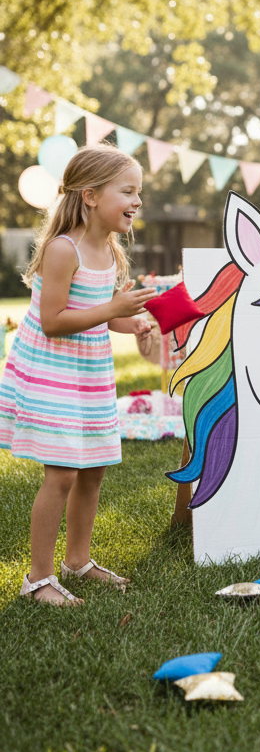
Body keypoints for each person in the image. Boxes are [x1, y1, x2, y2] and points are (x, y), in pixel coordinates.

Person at [0, 146, 156, 604]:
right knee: (63, 472)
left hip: (88, 374)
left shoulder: (108, 250)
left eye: (139, 192)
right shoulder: (62, 249)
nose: (137, 200)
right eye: (127, 191)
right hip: (52, 372)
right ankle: (38, 578)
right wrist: (113, 307)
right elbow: (53, 320)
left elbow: (99, 317)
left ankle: (77, 560)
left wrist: (134, 323)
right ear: (90, 196)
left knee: (94, 469)